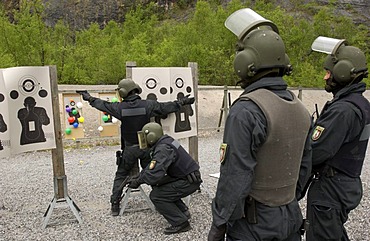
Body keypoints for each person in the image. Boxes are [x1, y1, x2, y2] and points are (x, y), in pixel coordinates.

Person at [207, 8, 313, 241]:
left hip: (255, 222)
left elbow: (236, 175)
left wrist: (219, 224)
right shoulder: (300, 108)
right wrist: (284, 199)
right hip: (290, 214)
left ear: (247, 62)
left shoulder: (246, 110)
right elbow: (304, 167)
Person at [77, 78, 195, 216]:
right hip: (147, 149)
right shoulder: (148, 105)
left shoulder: (119, 108)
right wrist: (182, 102)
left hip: (129, 150)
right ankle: (173, 204)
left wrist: (88, 97)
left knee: (121, 175)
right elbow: (165, 107)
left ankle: (115, 204)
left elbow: (102, 105)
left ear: (122, 92)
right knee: (154, 175)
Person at [305, 36, 370, 241]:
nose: (325, 78)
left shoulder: (343, 110)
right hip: (345, 184)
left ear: (343, 72)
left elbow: (316, 152)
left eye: (328, 72)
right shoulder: (360, 103)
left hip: (331, 189)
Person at [127, 122, 202, 234]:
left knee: (157, 196)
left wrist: (138, 181)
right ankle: (183, 211)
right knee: (159, 187)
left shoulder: (163, 148)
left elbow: (154, 172)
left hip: (187, 181)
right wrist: (140, 175)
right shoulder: (166, 141)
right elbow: (154, 166)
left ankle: (180, 223)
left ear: (151, 136)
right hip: (188, 177)